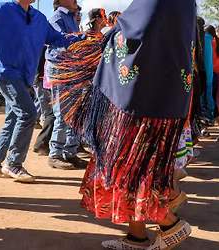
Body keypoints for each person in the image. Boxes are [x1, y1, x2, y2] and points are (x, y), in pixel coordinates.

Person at [54, 0, 196, 248]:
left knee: (128, 164)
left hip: (140, 98)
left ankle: (169, 223)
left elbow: (136, 33)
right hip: (166, 96)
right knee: (136, 165)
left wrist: (108, 36)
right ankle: (137, 236)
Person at [0, 0, 80, 183]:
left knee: (14, 117)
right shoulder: (0, 9)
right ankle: (13, 164)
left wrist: (85, 38)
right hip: (4, 71)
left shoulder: (38, 18)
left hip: (24, 76)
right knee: (28, 113)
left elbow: (58, 39)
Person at [45, 0, 86, 170]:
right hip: (62, 69)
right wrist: (82, 40)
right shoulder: (56, 18)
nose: (76, 1)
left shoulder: (70, 18)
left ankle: (70, 152)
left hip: (72, 69)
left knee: (74, 112)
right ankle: (55, 153)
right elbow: (59, 42)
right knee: (62, 113)